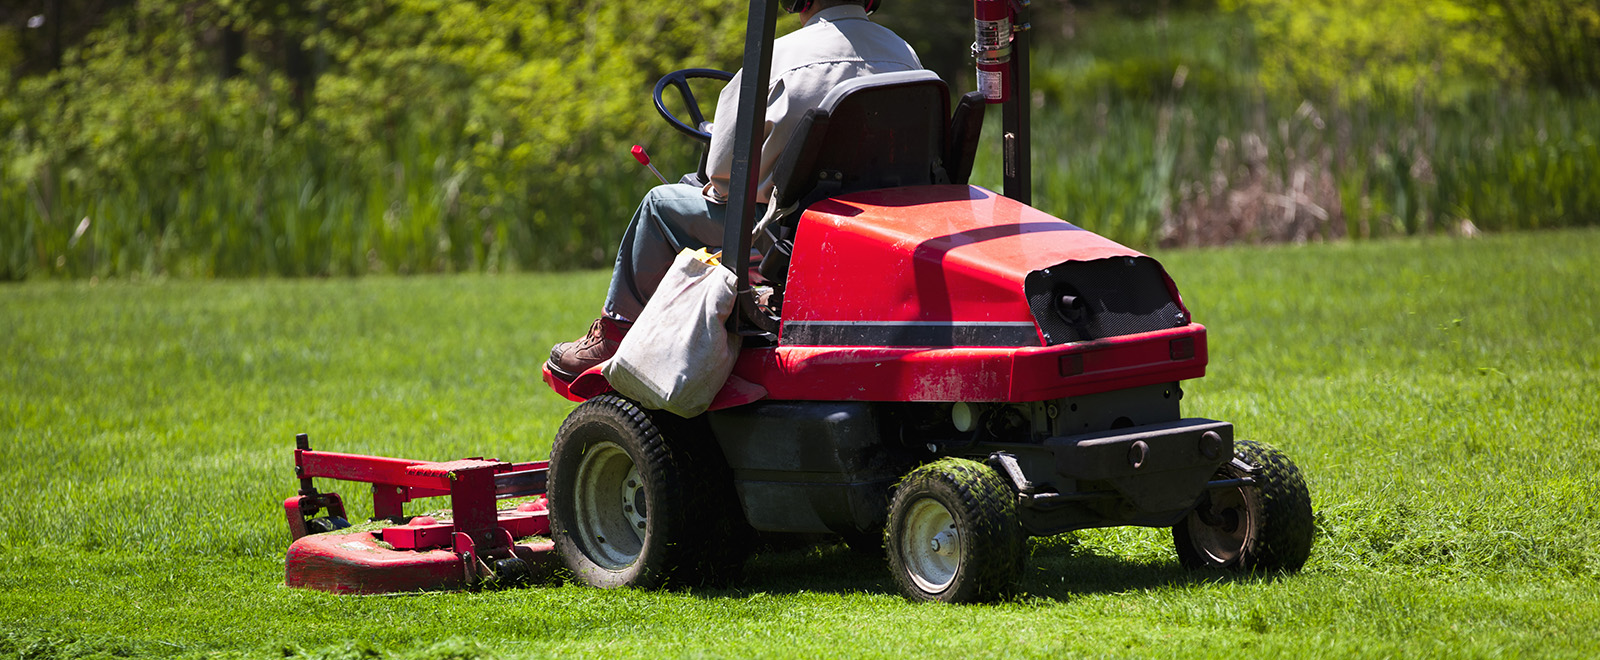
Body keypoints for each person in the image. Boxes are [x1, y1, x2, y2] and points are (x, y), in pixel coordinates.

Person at [547, 0, 921, 382]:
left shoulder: (780, 58)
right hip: (878, 230)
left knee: (662, 204)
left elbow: (724, 173)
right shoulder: (905, 55)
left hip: (788, 233)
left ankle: (617, 331)